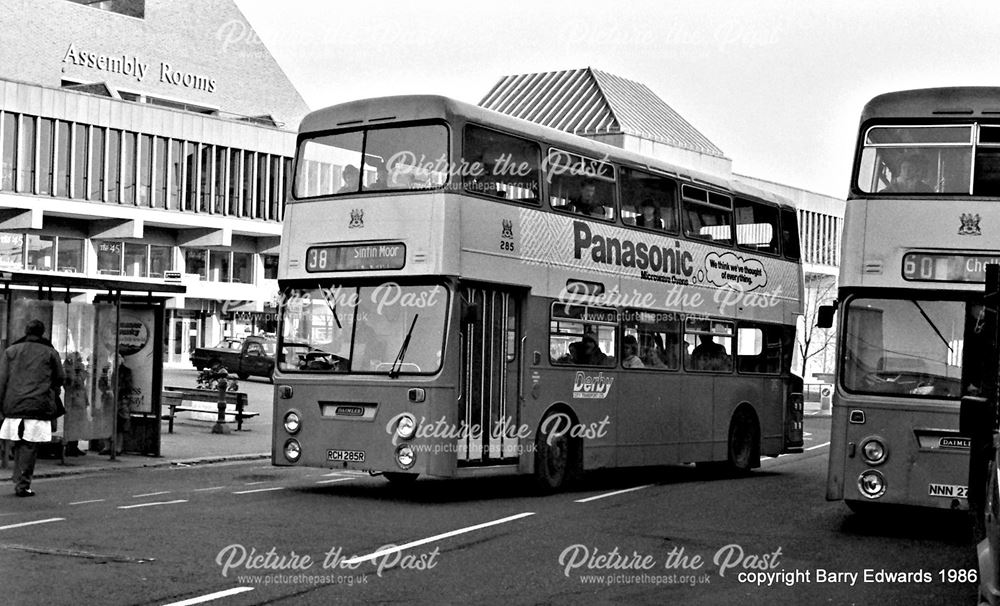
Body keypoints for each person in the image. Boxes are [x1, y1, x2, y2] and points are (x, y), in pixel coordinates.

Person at [0, 320, 65, 497]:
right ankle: (23, 484)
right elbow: (60, 377)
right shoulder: (50, 352)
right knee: (30, 445)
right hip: (38, 405)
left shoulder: (11, 351)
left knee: (18, 442)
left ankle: (18, 477)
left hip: (13, 405)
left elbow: (2, 380)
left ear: (26, 331)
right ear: (42, 332)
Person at [98, 354, 133, 456]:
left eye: (117, 358)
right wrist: (106, 390)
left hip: (120, 400)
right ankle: (107, 446)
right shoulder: (106, 370)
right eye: (113, 358)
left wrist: (117, 390)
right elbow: (101, 383)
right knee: (105, 423)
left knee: (120, 424)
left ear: (121, 360)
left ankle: (118, 448)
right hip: (107, 399)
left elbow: (128, 386)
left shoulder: (126, 371)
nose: (114, 361)